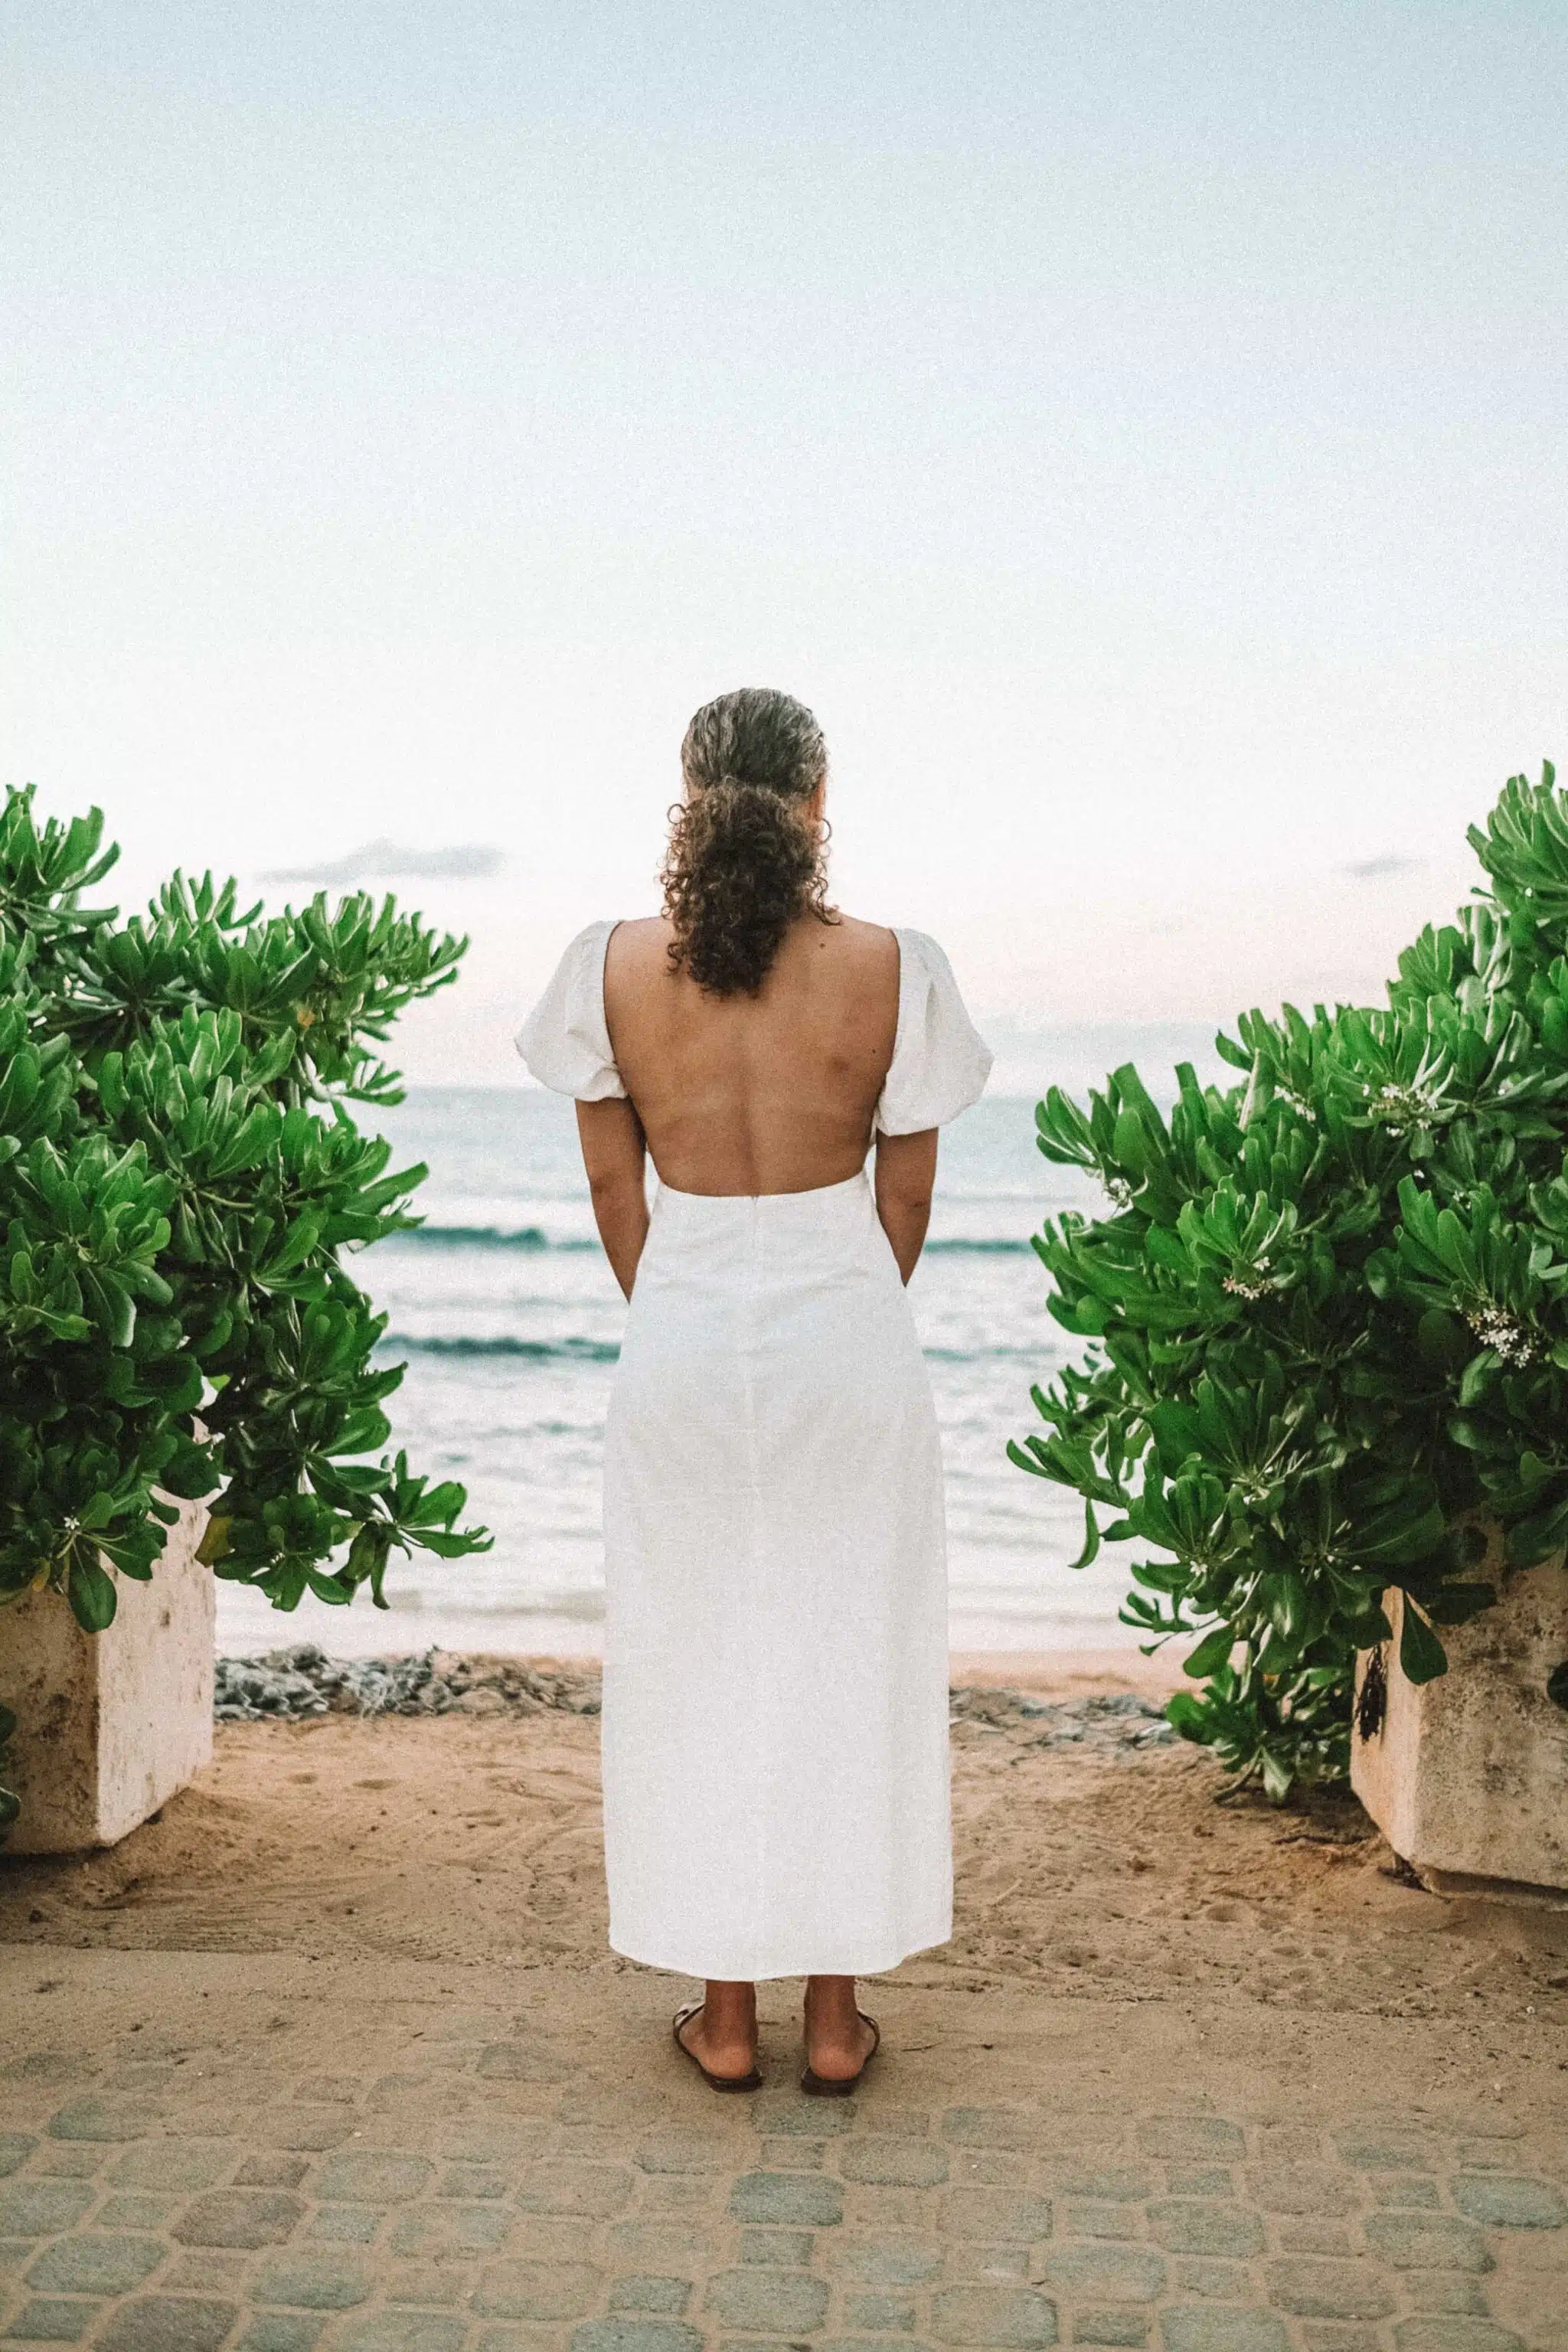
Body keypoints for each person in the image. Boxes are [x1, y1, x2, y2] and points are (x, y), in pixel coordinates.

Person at [516, 686, 991, 2092]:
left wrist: (690, 1306)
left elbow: (617, 1192)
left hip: (682, 1333)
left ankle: (725, 2023)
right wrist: (827, 1303)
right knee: (852, 1653)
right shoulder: (897, 967)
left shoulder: (607, 965)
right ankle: (834, 2027)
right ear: (819, 801)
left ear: (686, 793)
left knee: (698, 1658)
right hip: (847, 1336)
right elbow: (903, 1202)